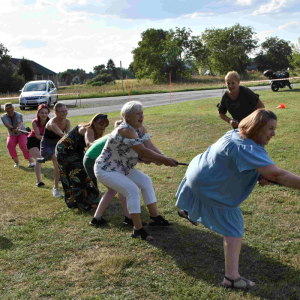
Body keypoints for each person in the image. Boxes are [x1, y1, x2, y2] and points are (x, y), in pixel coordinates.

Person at [176, 108, 300, 290]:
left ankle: (189, 211)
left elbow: (234, 163)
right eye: (270, 128)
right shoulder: (248, 148)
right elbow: (277, 174)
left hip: (195, 174)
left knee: (210, 204)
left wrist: (258, 176)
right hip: (207, 186)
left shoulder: (234, 133)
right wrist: (269, 176)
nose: (274, 134)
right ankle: (231, 279)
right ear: (257, 127)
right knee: (234, 226)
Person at [94, 101, 178, 241]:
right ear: (127, 116)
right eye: (137, 113)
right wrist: (164, 160)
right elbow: (143, 152)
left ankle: (154, 218)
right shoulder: (125, 130)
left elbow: (149, 145)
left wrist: (163, 158)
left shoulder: (139, 128)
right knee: (132, 189)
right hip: (106, 169)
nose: (141, 116)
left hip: (123, 168)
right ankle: (137, 229)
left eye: (142, 113)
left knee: (146, 181)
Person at [84, 120, 165, 227]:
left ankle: (97, 218)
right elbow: (138, 153)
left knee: (117, 189)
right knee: (119, 189)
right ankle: (128, 219)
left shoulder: (126, 135)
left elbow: (130, 155)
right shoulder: (121, 137)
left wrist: (158, 158)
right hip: (94, 160)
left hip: (105, 162)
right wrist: (158, 159)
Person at [56, 113, 109, 211]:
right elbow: (89, 143)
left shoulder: (96, 131)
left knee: (87, 172)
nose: (102, 128)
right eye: (100, 125)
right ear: (93, 123)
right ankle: (83, 202)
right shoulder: (88, 129)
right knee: (78, 175)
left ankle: (93, 197)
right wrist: (104, 144)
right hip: (65, 151)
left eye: (105, 126)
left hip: (77, 150)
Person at [37, 102, 71, 197]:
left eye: (65, 111)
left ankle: (65, 181)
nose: (64, 113)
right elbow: (62, 134)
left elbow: (67, 136)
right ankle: (55, 188)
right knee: (57, 160)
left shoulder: (67, 122)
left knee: (63, 162)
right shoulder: (52, 123)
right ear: (55, 113)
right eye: (61, 112)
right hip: (47, 145)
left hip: (59, 143)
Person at [1, 102, 35, 168]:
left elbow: (20, 123)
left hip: (21, 133)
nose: (10, 112)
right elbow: (7, 124)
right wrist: (12, 128)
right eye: (8, 111)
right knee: (9, 144)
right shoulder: (3, 117)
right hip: (12, 134)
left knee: (22, 144)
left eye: (12, 110)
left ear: (13, 109)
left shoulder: (19, 115)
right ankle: (17, 163)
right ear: (5, 111)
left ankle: (31, 162)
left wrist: (18, 128)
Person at [27, 104, 50, 187]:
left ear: (48, 113)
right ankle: (39, 182)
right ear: (38, 113)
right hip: (33, 141)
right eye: (42, 113)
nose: (44, 115)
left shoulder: (51, 122)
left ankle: (58, 178)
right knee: (39, 158)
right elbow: (38, 136)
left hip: (45, 142)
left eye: (46, 113)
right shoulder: (34, 122)